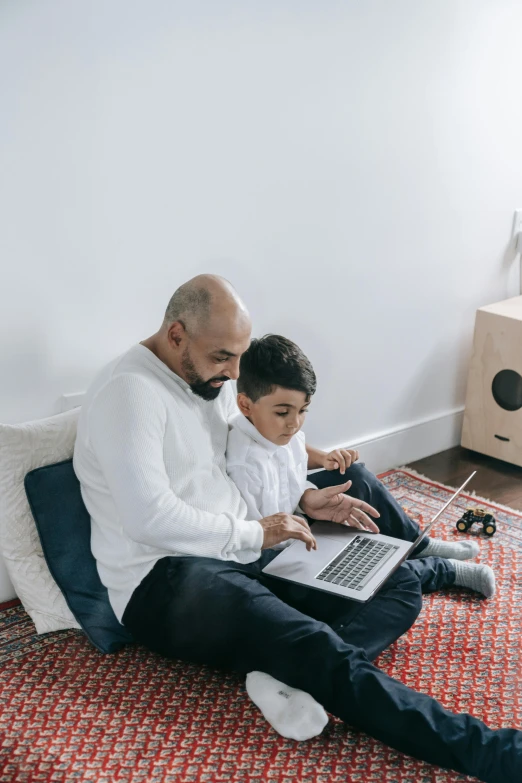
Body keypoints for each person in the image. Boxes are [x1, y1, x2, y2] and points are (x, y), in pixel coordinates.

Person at [73, 274, 522, 783]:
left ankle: (285, 676)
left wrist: (304, 500)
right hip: (165, 579)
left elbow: (252, 449)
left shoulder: (209, 378)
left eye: (239, 356)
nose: (234, 372)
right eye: (224, 356)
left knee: (394, 583)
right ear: (176, 335)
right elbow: (148, 518)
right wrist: (257, 533)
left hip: (241, 547)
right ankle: (496, 753)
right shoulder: (127, 394)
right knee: (314, 645)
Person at [226, 333, 495, 740]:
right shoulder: (243, 460)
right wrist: (307, 508)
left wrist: (314, 486)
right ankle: (432, 570)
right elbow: (263, 528)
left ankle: (420, 550)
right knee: (393, 586)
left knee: (358, 481)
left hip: (297, 536)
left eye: (302, 410)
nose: (295, 422)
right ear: (245, 404)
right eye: (284, 412)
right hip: (272, 563)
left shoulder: (280, 431)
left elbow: (290, 464)